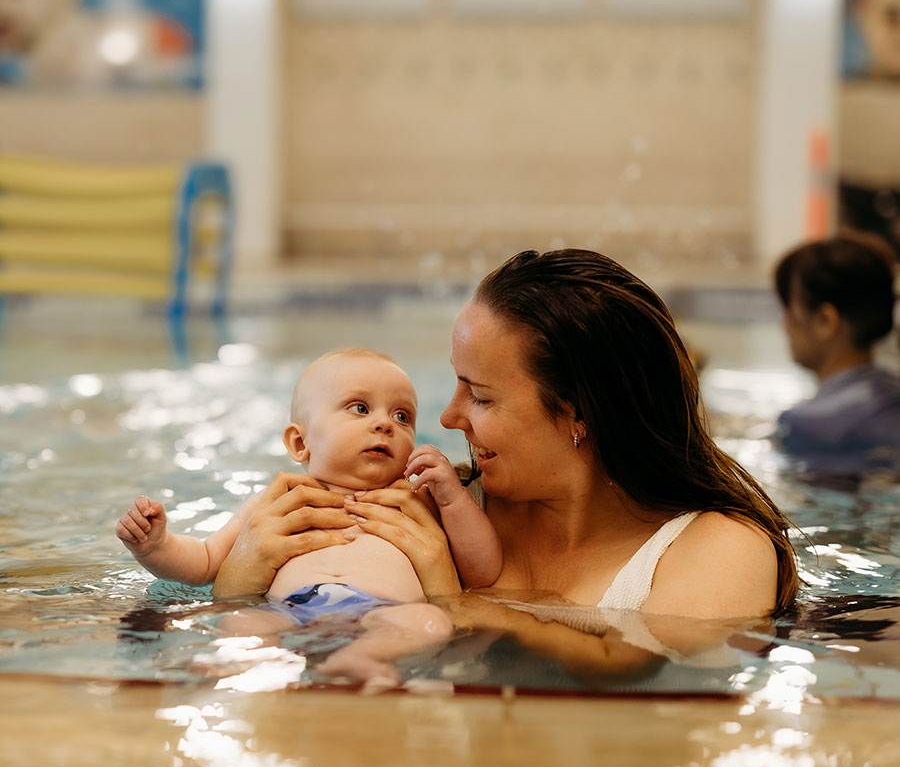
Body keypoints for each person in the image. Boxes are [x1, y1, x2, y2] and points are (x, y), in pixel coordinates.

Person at [210, 250, 800, 676]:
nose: (447, 417)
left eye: (482, 396)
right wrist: (236, 583)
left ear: (577, 414)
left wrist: (452, 598)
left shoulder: (719, 549)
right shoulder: (431, 502)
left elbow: (635, 677)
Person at [116, 347, 501, 685]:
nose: (385, 424)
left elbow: (482, 572)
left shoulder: (418, 501)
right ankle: (231, 664)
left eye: (403, 417)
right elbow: (204, 561)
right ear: (301, 443)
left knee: (428, 623)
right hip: (288, 610)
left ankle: (366, 656)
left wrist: (451, 497)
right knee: (243, 625)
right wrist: (155, 546)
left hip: (388, 614)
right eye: (360, 408)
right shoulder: (277, 501)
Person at [773, 234, 900, 463]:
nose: (784, 323)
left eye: (788, 307)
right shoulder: (892, 395)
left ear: (825, 321)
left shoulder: (809, 423)